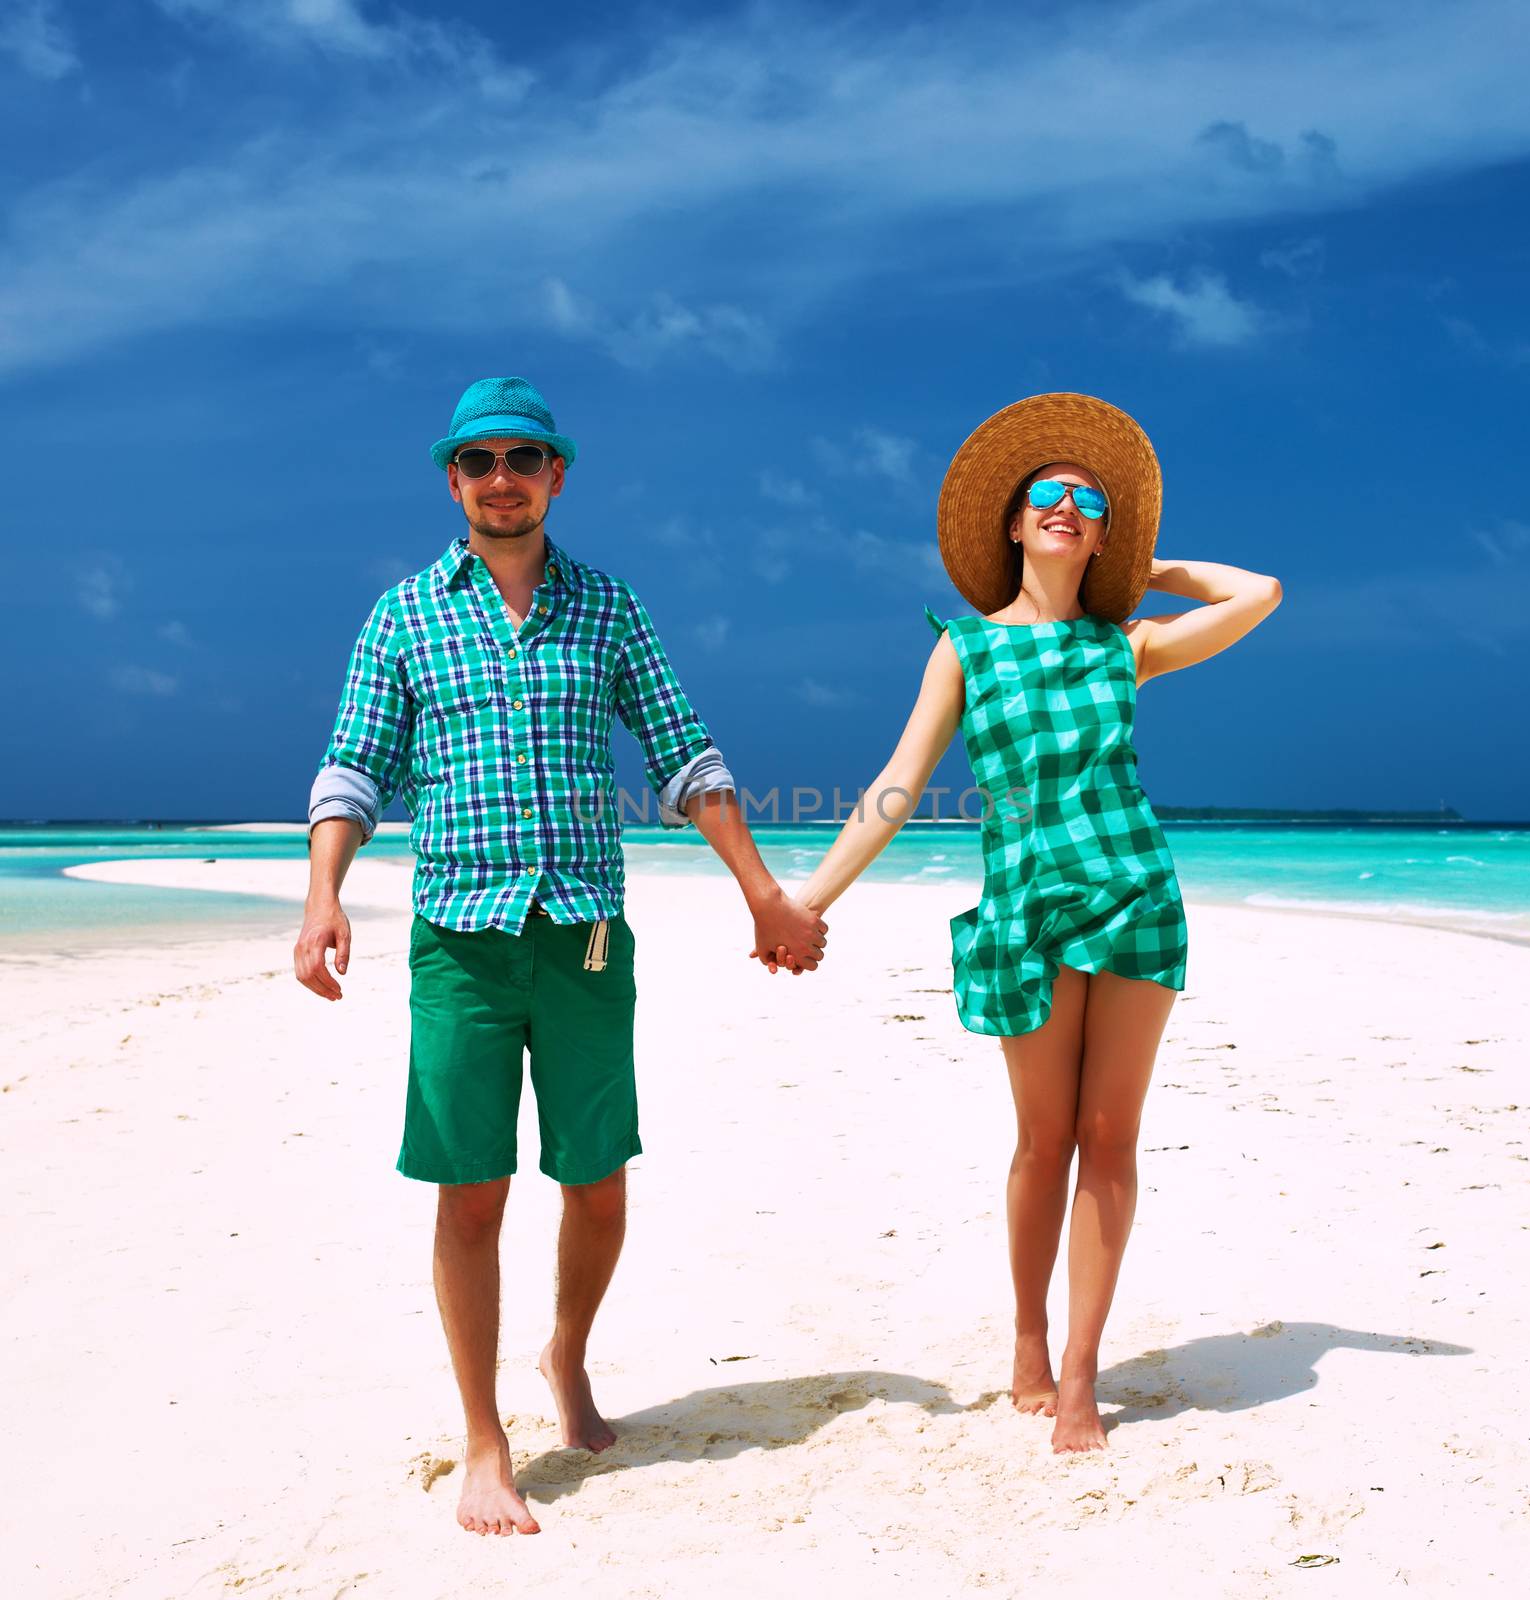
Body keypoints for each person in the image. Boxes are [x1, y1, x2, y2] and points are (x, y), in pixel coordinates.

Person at [293, 375, 827, 1536]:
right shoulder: (403, 616)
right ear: (453, 479)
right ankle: (485, 1439)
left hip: (585, 936)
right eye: (478, 460)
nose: (500, 478)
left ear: (555, 476)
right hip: (459, 944)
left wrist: (763, 894)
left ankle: (565, 1358)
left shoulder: (610, 608)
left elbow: (686, 754)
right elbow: (353, 768)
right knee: (470, 1191)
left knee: (595, 1180)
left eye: (521, 458)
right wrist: (321, 894)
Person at [773, 393, 1281, 1453]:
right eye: (1046, 493)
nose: (1066, 505)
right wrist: (807, 899)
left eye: (1088, 500)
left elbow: (1260, 592)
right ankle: (1026, 1336)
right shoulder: (965, 649)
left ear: (1099, 532)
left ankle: (1085, 1372)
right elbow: (896, 786)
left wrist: (1148, 565)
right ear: (1011, 523)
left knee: (1110, 1136)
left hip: (1136, 895)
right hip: (1026, 909)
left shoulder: (1124, 645)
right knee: (1042, 1139)